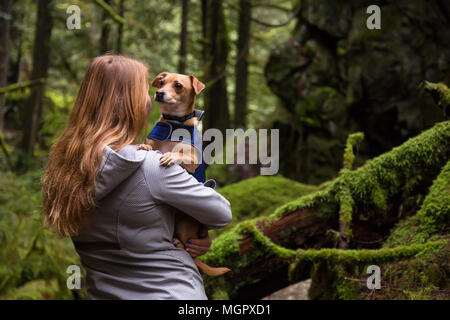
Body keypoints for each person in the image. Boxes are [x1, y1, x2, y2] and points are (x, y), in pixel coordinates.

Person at [42, 54, 232, 299]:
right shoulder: (155, 167)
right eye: (145, 91)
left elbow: (130, 228)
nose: (152, 98)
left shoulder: (66, 170)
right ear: (131, 103)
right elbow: (221, 212)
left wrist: (183, 236)